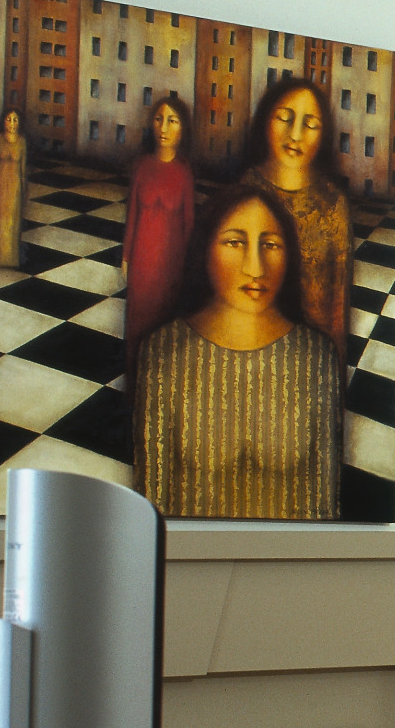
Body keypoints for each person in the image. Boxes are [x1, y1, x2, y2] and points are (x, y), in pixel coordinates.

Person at [134, 184, 341, 520]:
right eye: (235, 242)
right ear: (205, 249)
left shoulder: (316, 356)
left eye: (270, 245)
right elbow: (151, 506)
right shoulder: (164, 352)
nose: (256, 268)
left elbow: (324, 504)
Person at [241, 76, 352, 355]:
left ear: (322, 133)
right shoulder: (244, 192)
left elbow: (337, 303)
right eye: (284, 118)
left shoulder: (332, 204)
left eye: (310, 124)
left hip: (310, 353)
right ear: (266, 118)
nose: (295, 135)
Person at [121, 96, 197, 378]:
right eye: (159, 119)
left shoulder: (184, 173)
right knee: (137, 327)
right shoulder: (141, 166)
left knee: (164, 329)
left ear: (183, 129)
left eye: (172, 121)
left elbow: (189, 225)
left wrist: (189, 269)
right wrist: (126, 257)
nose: (163, 128)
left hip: (170, 266)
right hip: (142, 262)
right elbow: (132, 216)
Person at [0, 107, 27, 268]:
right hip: (0, 188)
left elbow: (23, 170)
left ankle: (11, 261)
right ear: (4, 121)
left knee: (12, 224)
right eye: (9, 119)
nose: (12, 123)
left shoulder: (22, 141)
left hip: (15, 189)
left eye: (15, 120)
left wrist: (24, 191)